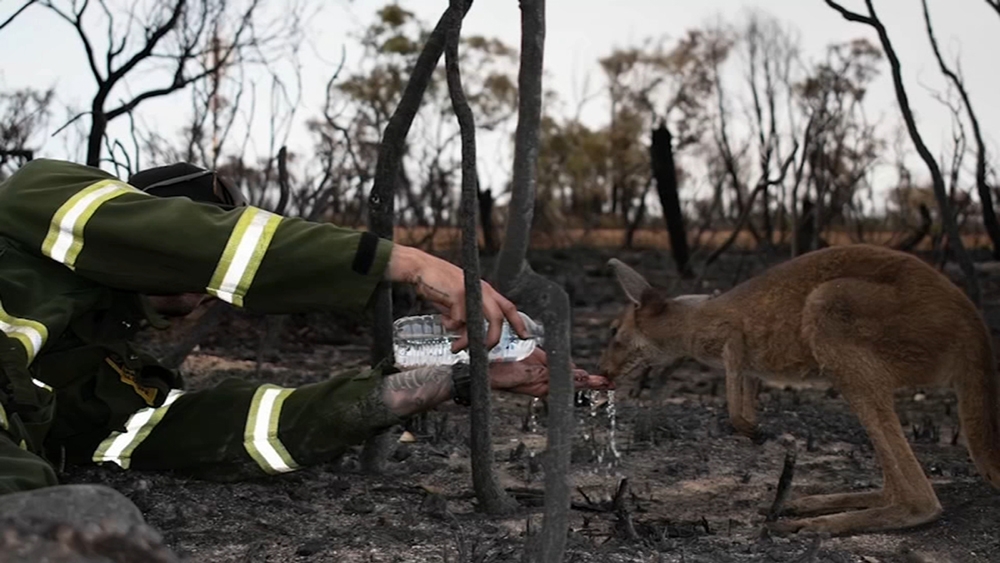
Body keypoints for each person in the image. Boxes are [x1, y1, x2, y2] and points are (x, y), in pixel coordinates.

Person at [0, 158, 610, 525]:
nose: (215, 285)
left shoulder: (108, 370)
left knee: (62, 522)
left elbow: (240, 431)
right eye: (205, 236)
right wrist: (405, 263)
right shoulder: (35, 198)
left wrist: (442, 381)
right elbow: (182, 240)